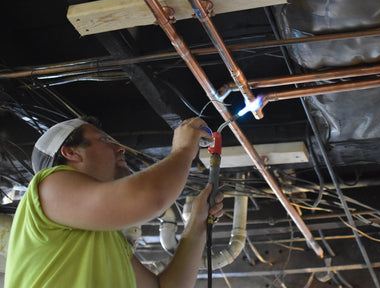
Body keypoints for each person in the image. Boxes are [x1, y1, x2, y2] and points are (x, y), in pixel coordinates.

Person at [4, 116, 223, 287]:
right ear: (71, 152)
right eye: (104, 140)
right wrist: (184, 150)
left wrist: (197, 225)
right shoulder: (48, 186)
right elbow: (151, 197)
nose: (120, 148)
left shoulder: (106, 239)